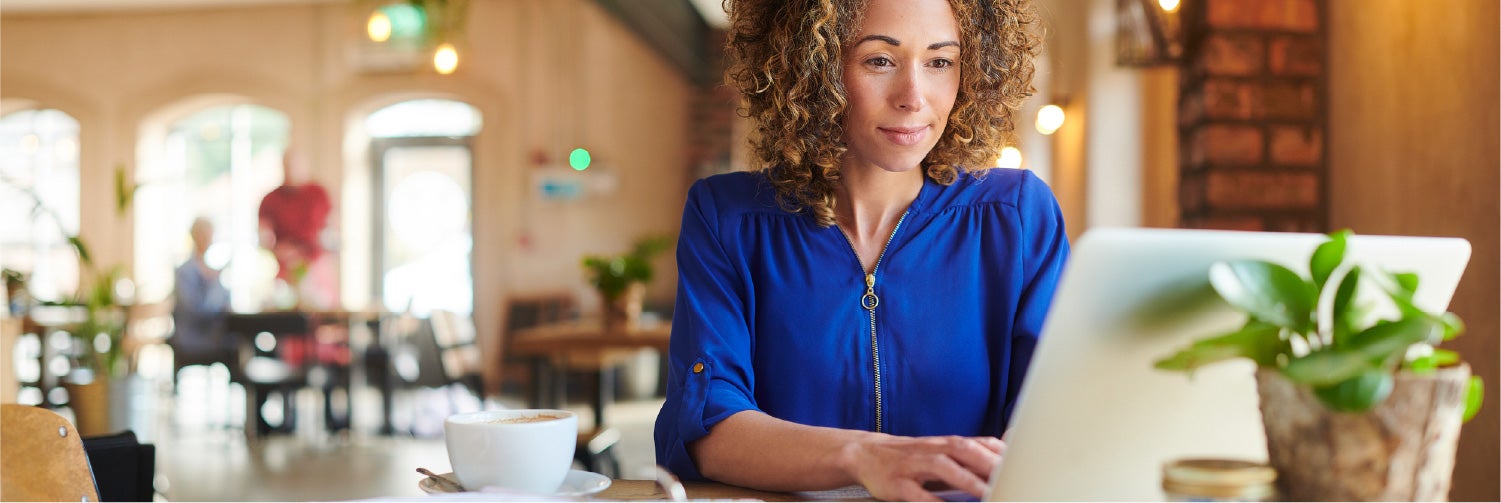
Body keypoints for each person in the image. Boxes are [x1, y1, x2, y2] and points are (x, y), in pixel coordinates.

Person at [653, 0, 1067, 500]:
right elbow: (707, 427)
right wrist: (862, 457)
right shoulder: (727, 217)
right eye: (879, 60)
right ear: (812, 68)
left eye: (940, 61)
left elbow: (1057, 414)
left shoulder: (1016, 216)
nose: (914, 97)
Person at [170, 217, 235, 369]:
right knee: (235, 346)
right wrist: (213, 284)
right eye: (205, 235)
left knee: (240, 342)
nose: (209, 240)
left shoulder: (211, 269)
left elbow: (226, 301)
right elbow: (196, 310)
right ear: (195, 236)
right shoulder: (184, 272)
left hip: (215, 335)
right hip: (192, 338)